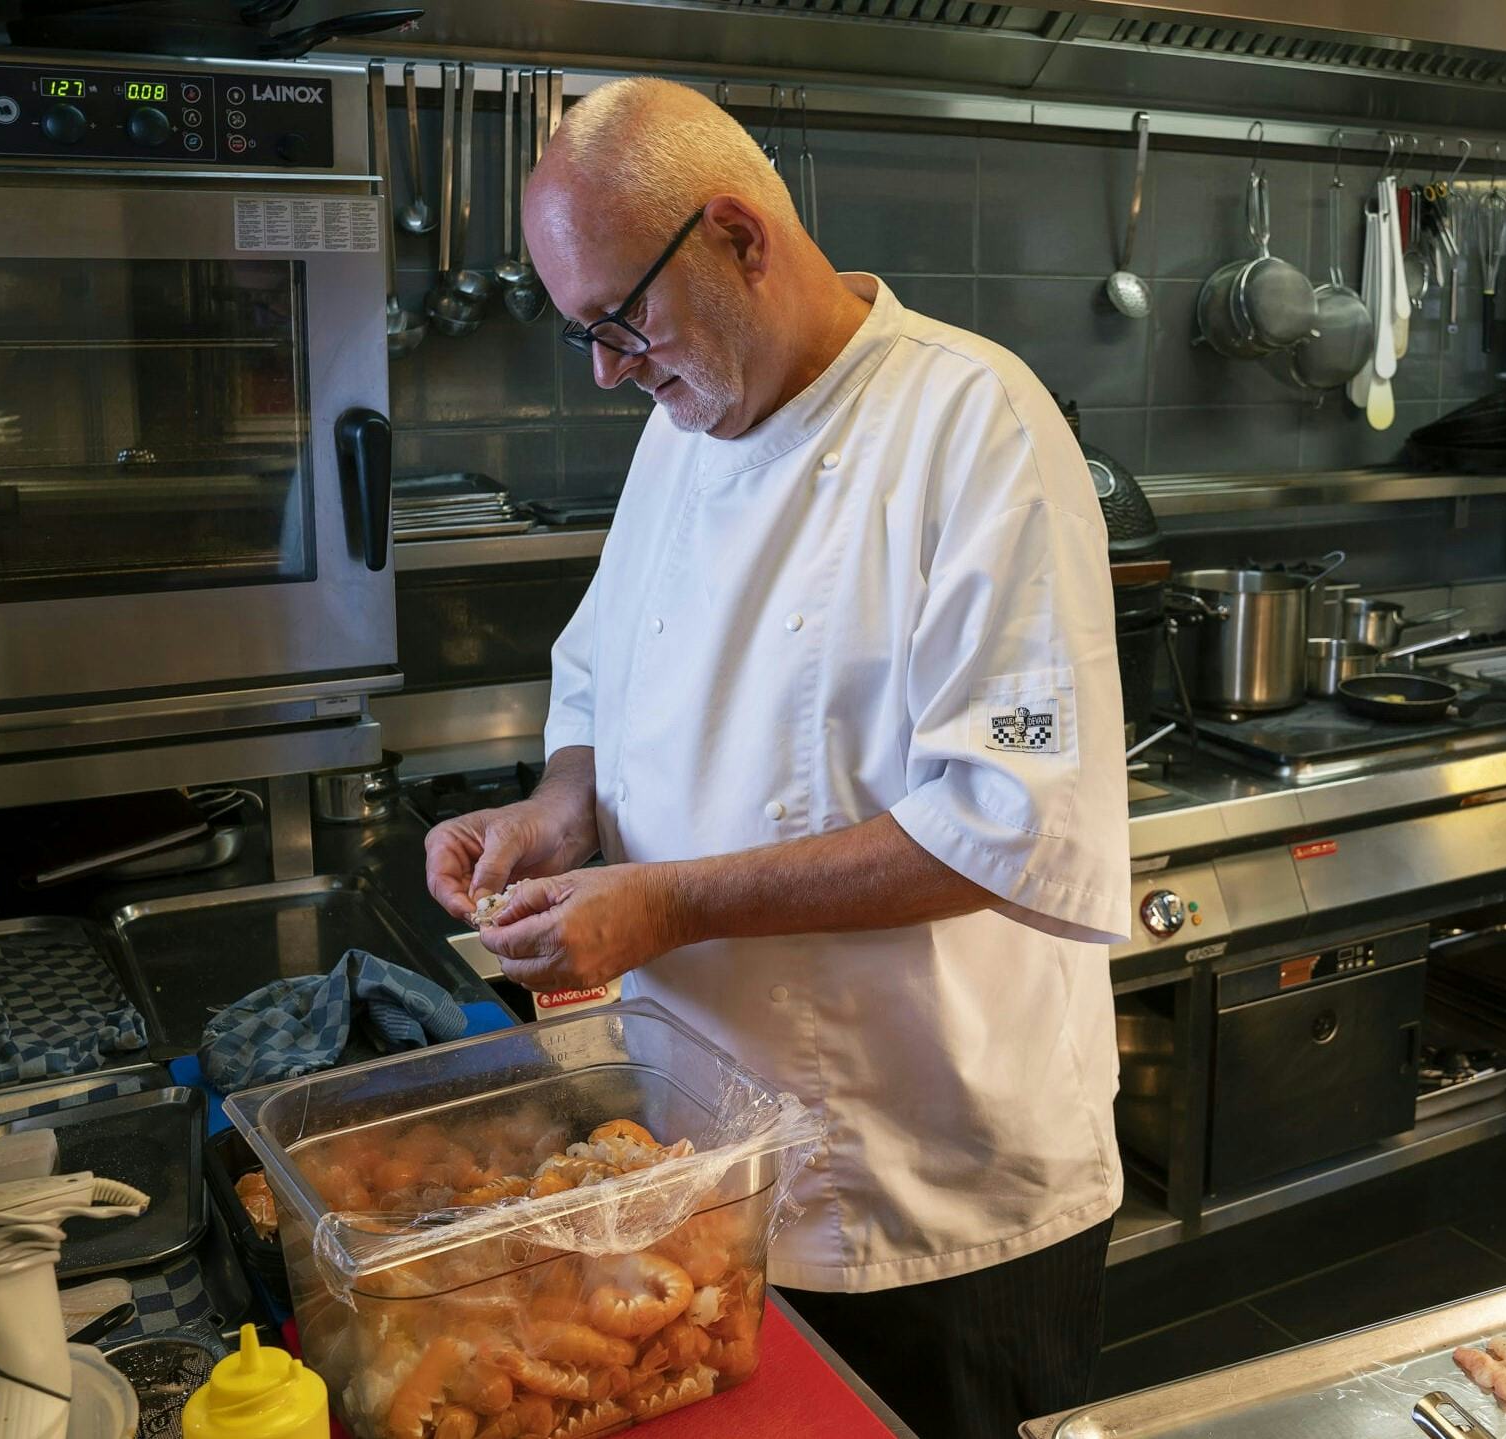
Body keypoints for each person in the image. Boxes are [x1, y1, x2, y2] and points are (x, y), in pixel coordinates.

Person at [421, 78, 1129, 1438]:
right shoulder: (685, 424)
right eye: (585, 333)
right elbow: (600, 670)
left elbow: (1008, 801)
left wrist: (669, 900)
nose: (607, 369)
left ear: (739, 235)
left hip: (931, 1196)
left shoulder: (975, 428)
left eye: (620, 321)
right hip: (710, 1175)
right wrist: (561, 808)